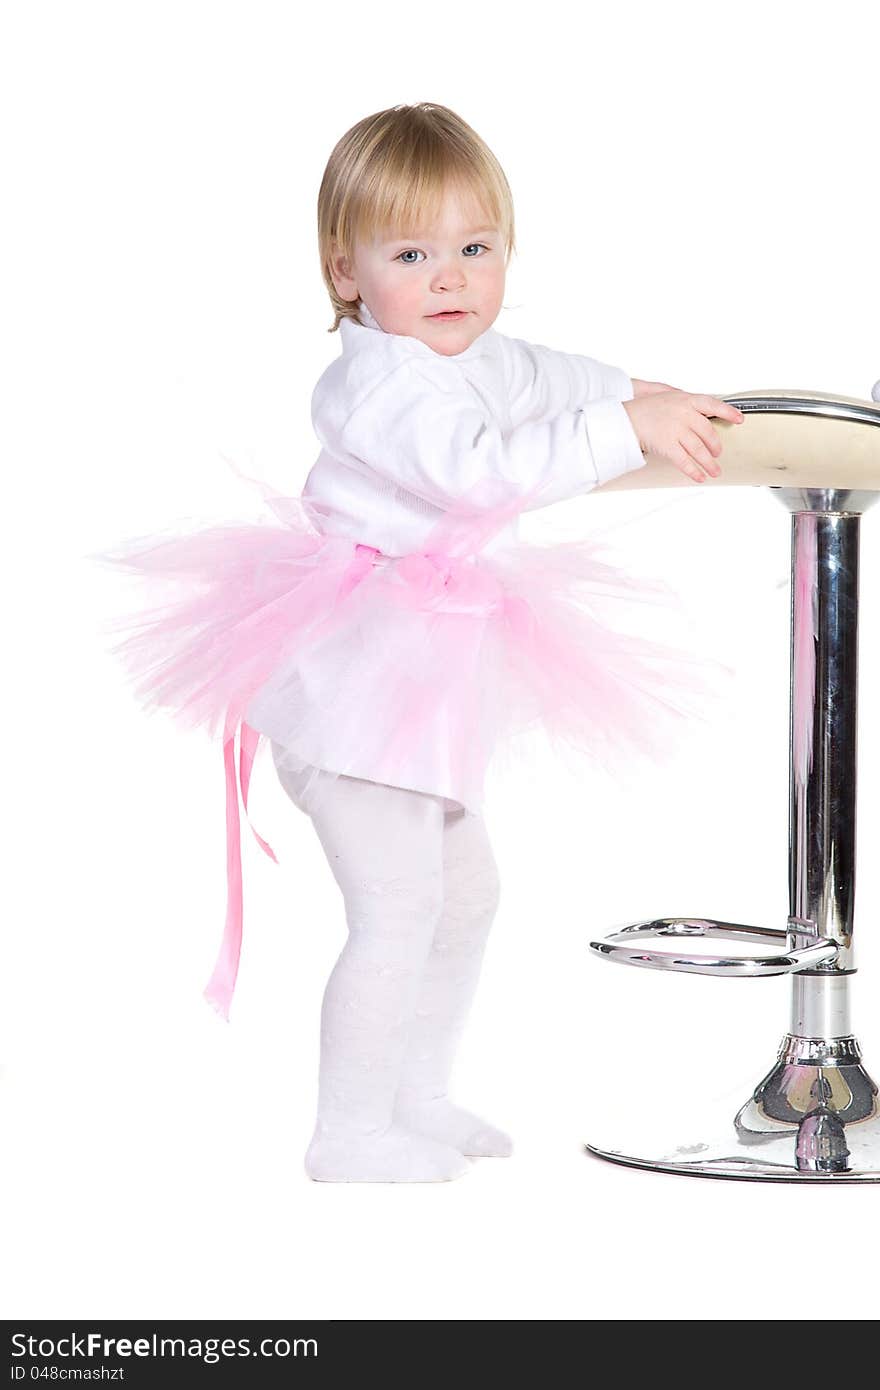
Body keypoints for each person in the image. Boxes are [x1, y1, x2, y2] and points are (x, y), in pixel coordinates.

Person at [94, 102, 744, 1183]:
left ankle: (417, 1093)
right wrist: (618, 433)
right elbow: (475, 470)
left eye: (475, 249)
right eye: (412, 254)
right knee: (396, 903)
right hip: (352, 682)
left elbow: (544, 374)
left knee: (465, 892)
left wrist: (638, 391)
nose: (450, 280)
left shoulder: (467, 351)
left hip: (420, 674)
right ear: (345, 271)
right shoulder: (379, 383)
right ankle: (345, 1132)